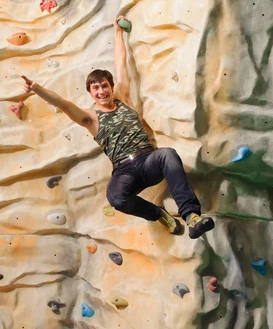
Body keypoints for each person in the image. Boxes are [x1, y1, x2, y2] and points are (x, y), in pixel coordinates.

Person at [21, 16, 214, 239]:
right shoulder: (90, 118)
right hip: (124, 170)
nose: (101, 91)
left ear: (111, 87)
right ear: (90, 92)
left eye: (104, 86)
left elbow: (120, 63)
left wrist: (118, 33)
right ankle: (158, 215)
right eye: (96, 88)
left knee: (168, 155)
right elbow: (62, 103)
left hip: (148, 160)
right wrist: (37, 88)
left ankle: (191, 217)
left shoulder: (122, 97)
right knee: (116, 198)